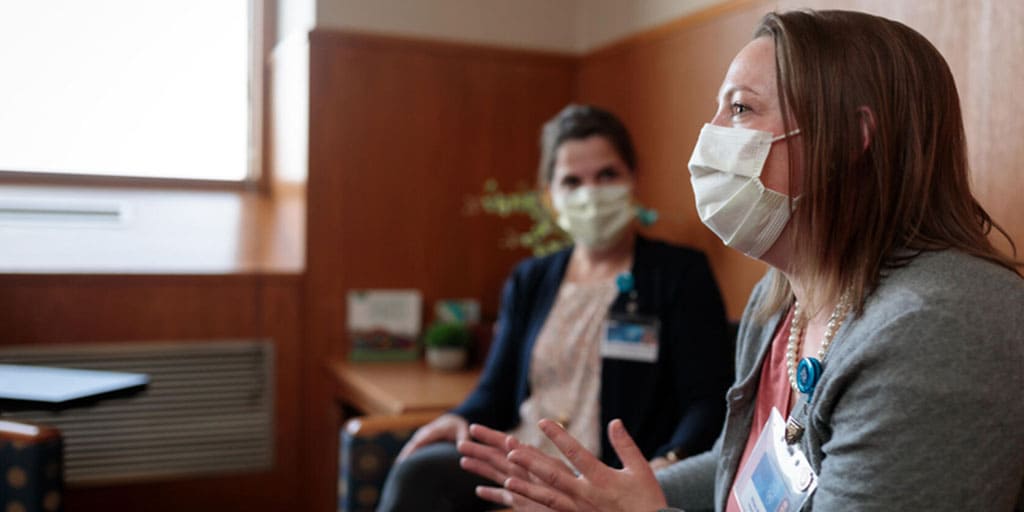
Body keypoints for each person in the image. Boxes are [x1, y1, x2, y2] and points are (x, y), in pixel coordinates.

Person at [458, 9, 1024, 512]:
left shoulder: (935, 328)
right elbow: (750, 468)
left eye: (740, 109)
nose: (711, 136)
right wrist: (627, 491)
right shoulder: (779, 297)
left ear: (853, 138)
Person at [376, 104, 734, 511]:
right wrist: (459, 417)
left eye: (607, 175)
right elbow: (496, 389)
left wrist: (667, 462)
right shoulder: (531, 279)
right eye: (572, 181)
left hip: (606, 480)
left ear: (633, 179)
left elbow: (706, 399)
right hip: (522, 460)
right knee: (418, 474)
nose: (591, 193)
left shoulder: (679, 273)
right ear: (550, 197)